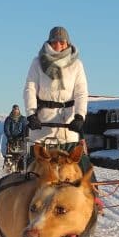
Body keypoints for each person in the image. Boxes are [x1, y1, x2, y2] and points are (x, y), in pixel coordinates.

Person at [23, 25, 91, 172]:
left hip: (68, 128)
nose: (58, 45)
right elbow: (30, 89)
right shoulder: (37, 63)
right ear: (49, 43)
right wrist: (31, 114)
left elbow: (81, 93)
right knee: (34, 173)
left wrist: (79, 116)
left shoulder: (77, 65)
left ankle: (92, 194)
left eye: (62, 42)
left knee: (83, 170)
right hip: (42, 126)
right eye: (55, 42)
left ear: (68, 44)